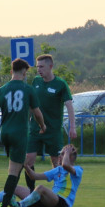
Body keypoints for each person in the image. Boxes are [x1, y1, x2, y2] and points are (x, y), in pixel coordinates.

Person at [0, 58, 45, 207]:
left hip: (5, 133)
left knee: (22, 164)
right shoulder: (28, 89)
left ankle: (22, 196)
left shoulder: (2, 90)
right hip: (19, 133)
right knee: (14, 171)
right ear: (24, 72)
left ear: (11, 71)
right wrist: (43, 126)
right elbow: (37, 113)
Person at [0, 144, 81, 207]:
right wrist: (25, 165)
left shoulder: (78, 170)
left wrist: (67, 152)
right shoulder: (57, 170)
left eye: (62, 154)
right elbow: (34, 176)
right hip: (48, 200)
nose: (60, 157)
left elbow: (66, 165)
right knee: (14, 188)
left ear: (70, 156)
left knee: (40, 188)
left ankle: (19, 205)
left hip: (61, 203)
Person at [24, 54, 76, 191]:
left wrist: (72, 127)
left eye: (41, 66)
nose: (38, 70)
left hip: (53, 131)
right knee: (28, 160)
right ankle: (30, 192)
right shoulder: (36, 81)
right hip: (35, 129)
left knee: (56, 162)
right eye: (37, 67)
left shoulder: (60, 84)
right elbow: (31, 105)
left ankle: (58, 192)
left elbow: (69, 106)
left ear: (50, 66)